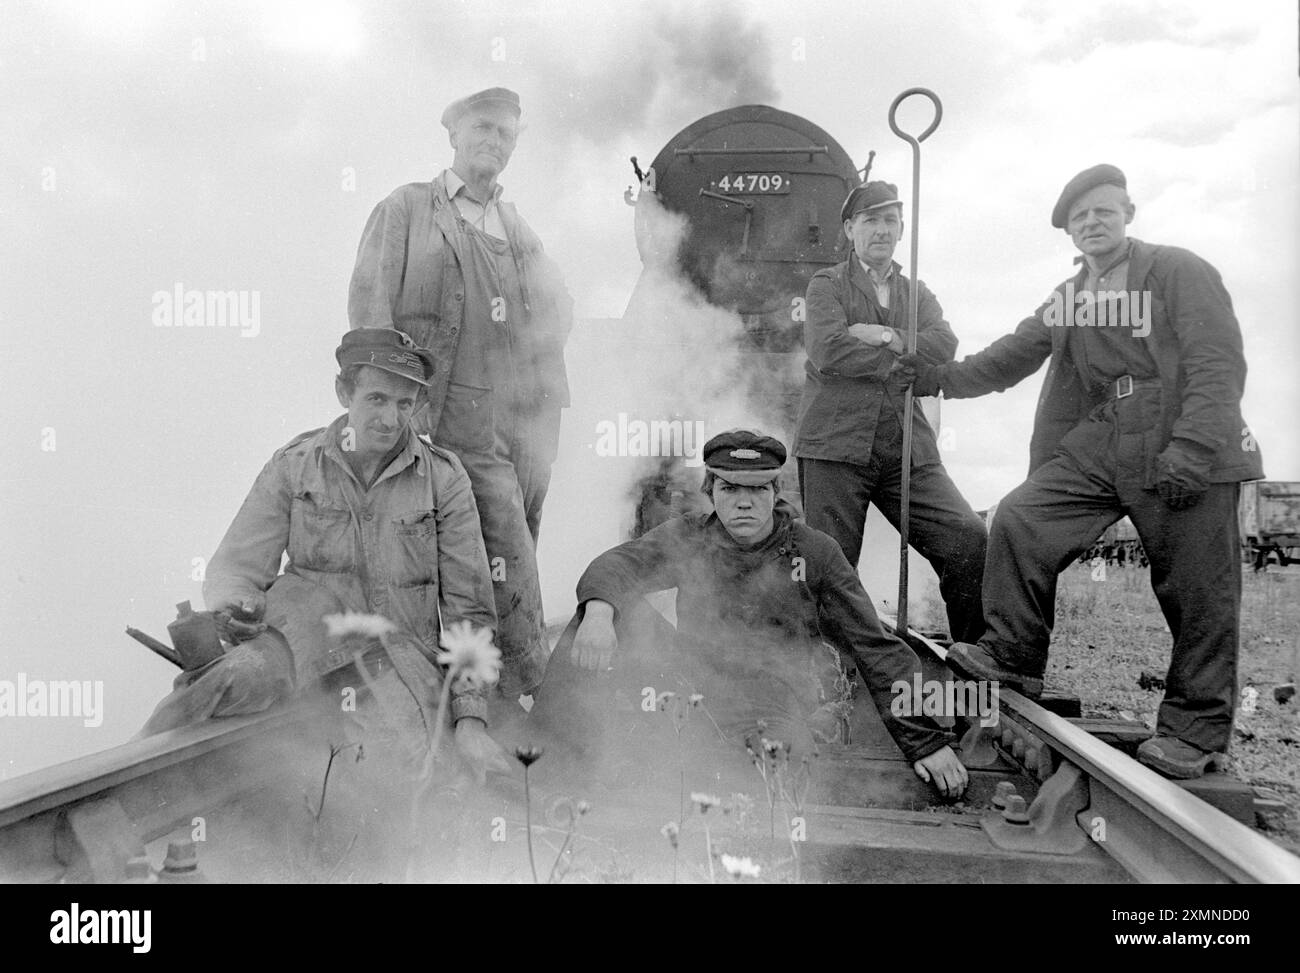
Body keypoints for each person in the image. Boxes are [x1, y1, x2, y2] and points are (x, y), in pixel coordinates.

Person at [897, 164, 1264, 779]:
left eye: (1103, 212)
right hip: (1105, 430)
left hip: (1178, 425)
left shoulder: (1176, 270)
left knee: (1198, 586)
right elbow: (1013, 353)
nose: (1092, 223)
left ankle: (1196, 731)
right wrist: (939, 378)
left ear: (1128, 213)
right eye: (1079, 218)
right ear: (1069, 232)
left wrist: (1194, 446)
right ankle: (1011, 654)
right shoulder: (1069, 296)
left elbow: (1216, 359)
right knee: (1021, 516)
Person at [142, 328, 511, 782]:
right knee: (219, 686)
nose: (391, 420)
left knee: (414, 785)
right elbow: (235, 570)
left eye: (404, 405)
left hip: (395, 663)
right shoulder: (295, 466)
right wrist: (234, 606)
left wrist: (471, 720)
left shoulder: (443, 480)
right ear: (344, 393)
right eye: (376, 399)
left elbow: (469, 614)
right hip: (298, 648)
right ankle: (110, 794)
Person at [528, 430, 969, 799]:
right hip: (691, 682)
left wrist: (924, 741)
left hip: (772, 697)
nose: (743, 502)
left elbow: (874, 645)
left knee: (775, 776)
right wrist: (601, 614)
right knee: (601, 609)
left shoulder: (814, 552)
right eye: (729, 489)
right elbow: (619, 564)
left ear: (775, 492)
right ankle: (543, 765)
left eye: (757, 489)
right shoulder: (690, 537)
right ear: (711, 493)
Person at [348, 87, 573, 716]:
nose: (493, 142)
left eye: (505, 135)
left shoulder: (516, 227)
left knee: (503, 553)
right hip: (437, 417)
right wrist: (387, 408)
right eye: (482, 129)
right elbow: (369, 309)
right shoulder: (408, 209)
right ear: (453, 135)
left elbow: (562, 307)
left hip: (516, 425)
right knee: (456, 558)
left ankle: (496, 704)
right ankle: (503, 696)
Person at [793, 180, 986, 643]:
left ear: (901, 230)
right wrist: (900, 353)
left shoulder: (915, 290)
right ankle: (830, 676)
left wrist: (880, 335)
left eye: (891, 221)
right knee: (831, 566)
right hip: (836, 445)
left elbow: (945, 343)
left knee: (968, 538)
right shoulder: (826, 284)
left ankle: (974, 662)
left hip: (906, 445)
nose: (882, 230)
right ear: (849, 228)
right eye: (871, 220)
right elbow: (829, 349)